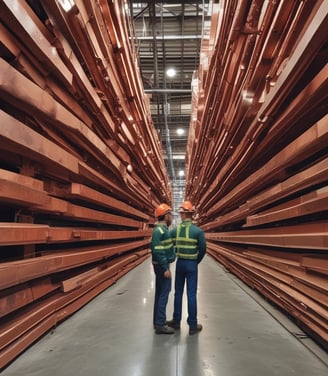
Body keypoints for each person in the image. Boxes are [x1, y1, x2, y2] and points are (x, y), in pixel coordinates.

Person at [167, 200, 206, 335]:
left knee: (178, 293)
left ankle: (176, 321)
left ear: (183, 215)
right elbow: (202, 250)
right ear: (192, 214)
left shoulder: (175, 230)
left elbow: (167, 240)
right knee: (191, 294)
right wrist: (196, 261)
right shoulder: (198, 232)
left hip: (180, 263)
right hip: (191, 264)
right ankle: (193, 326)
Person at [151, 203, 176, 334]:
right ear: (165, 216)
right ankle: (160, 324)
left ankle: (157, 321)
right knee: (164, 293)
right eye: (170, 214)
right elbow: (158, 250)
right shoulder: (160, 231)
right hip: (162, 267)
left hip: (161, 265)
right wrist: (166, 268)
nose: (171, 217)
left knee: (160, 293)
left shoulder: (162, 230)